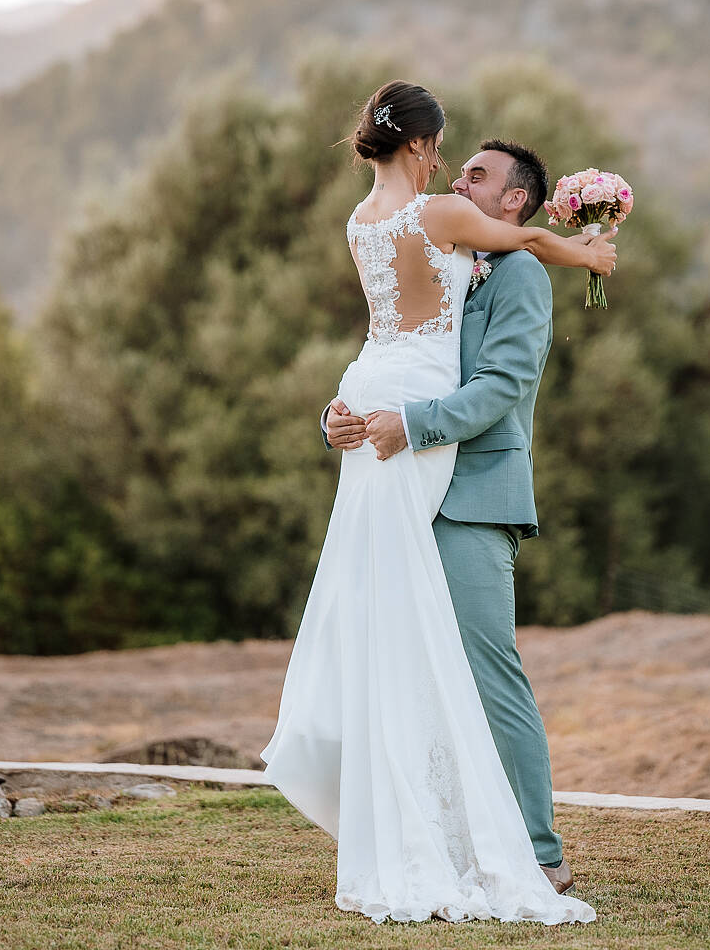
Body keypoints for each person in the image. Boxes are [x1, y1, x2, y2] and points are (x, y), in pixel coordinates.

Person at [261, 81, 613, 926]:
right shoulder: (437, 232)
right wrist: (341, 417)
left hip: (473, 492)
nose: (462, 176)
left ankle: (538, 853)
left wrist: (404, 426)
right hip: (407, 458)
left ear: (517, 199)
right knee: (411, 660)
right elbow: (390, 340)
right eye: (456, 159)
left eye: (482, 174)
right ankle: (443, 837)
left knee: (490, 673)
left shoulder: (521, 272)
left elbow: (498, 389)